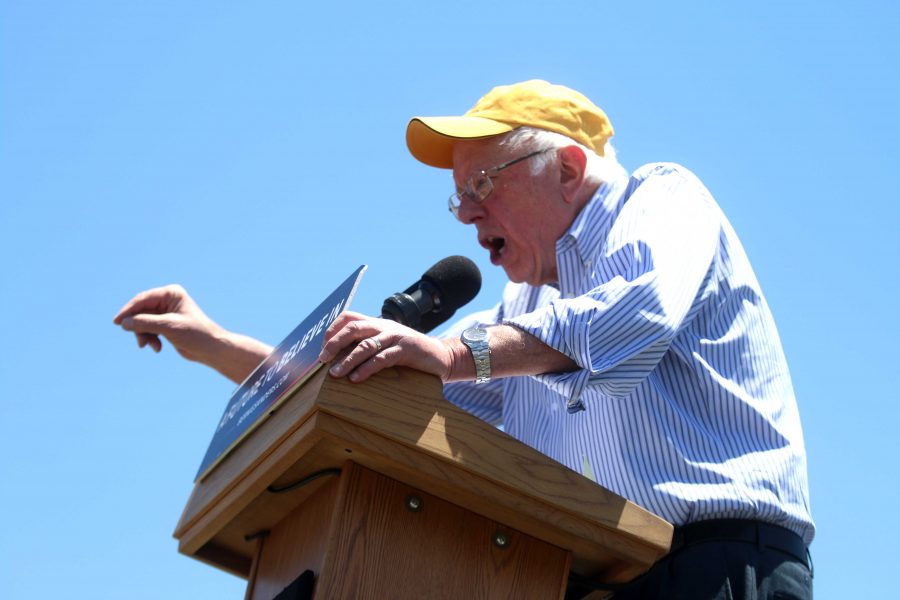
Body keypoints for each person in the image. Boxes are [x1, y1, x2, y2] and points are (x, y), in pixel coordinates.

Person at [114, 80, 814, 599]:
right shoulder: (522, 308)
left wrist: (455, 354)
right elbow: (390, 390)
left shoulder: (661, 197)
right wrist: (213, 342)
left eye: (482, 182)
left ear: (568, 170)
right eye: (458, 195)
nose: (466, 214)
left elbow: (632, 317)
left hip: (720, 566)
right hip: (578, 579)